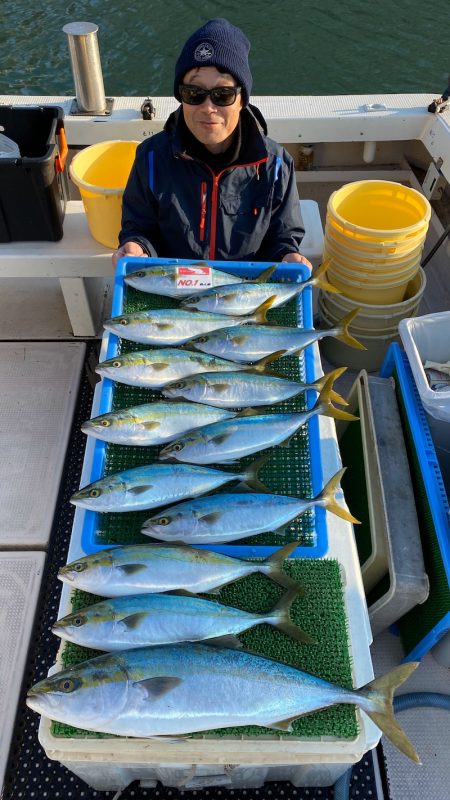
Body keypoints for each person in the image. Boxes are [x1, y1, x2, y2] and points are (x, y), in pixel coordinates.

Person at [112, 18, 311, 270]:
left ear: (242, 100)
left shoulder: (277, 165)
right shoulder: (150, 156)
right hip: (174, 285)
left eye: (223, 95)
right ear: (181, 97)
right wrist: (135, 246)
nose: (208, 107)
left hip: (242, 291)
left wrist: (287, 256)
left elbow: (282, 238)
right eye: (194, 93)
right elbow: (139, 227)